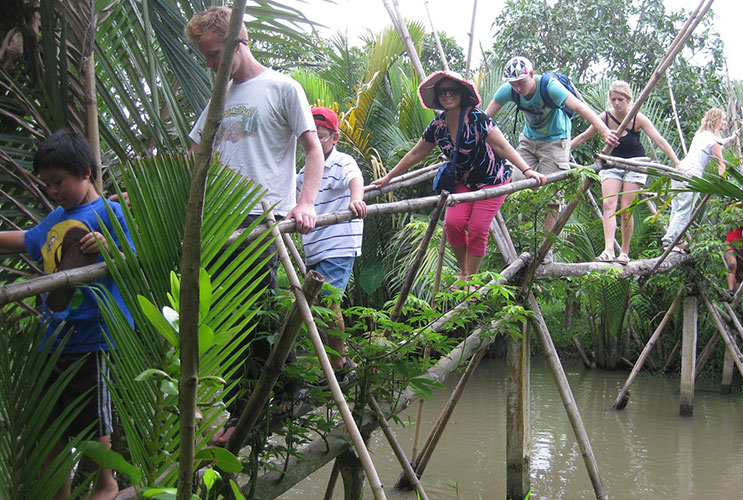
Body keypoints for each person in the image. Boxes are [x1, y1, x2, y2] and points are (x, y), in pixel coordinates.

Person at [183, 6, 325, 446]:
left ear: (237, 42)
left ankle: (251, 408)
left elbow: (313, 150)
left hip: (262, 215)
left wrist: (305, 202)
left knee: (252, 309)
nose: (210, 64)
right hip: (218, 218)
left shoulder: (282, 87)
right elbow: (194, 156)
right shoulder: (219, 97)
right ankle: (279, 390)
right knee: (227, 313)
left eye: (214, 54)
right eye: (205, 57)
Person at [0, 129, 134, 500]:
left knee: (94, 419)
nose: (52, 190)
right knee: (50, 422)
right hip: (53, 337)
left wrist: (108, 248)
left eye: (58, 181)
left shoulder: (110, 213)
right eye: (47, 184)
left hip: (93, 335)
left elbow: (135, 260)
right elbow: (26, 240)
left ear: (86, 172)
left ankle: (106, 484)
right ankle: (60, 492)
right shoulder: (56, 218)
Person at [374, 71, 546, 283]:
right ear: (437, 96)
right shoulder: (438, 126)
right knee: (453, 224)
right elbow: (416, 154)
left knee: (478, 227)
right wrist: (389, 178)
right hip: (464, 181)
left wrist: (527, 170)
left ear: (462, 93)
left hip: (492, 179)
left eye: (452, 90)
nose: (447, 95)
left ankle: (470, 280)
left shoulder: (478, 118)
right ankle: (465, 274)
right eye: (442, 91)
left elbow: (503, 147)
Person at [486, 56, 618, 261]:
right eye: (514, 84)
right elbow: (485, 118)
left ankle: (546, 250)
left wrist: (604, 130)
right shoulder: (509, 90)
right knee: (518, 181)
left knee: (552, 195)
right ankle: (550, 207)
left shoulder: (549, 86)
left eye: (521, 82)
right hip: (529, 140)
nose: (518, 88)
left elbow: (580, 107)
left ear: (531, 75)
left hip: (556, 141)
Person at [570, 80, 681, 264]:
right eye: (613, 99)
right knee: (609, 204)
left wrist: (676, 162)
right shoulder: (605, 117)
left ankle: (624, 252)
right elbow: (584, 137)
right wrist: (565, 149)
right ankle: (608, 250)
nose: (616, 103)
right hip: (611, 164)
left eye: (620, 99)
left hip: (635, 165)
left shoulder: (638, 118)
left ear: (628, 100)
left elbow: (659, 140)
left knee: (626, 208)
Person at [295, 107, 366, 376]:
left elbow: (355, 180)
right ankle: (334, 362)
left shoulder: (342, 161)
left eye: (321, 135)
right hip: (314, 248)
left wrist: (356, 200)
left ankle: (338, 364)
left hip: (338, 243)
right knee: (316, 306)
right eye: (309, 136)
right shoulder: (303, 174)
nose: (314, 141)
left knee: (328, 301)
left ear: (334, 138)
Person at [662, 108, 739, 252]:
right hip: (692, 176)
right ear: (716, 121)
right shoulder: (713, 140)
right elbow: (721, 163)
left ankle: (677, 241)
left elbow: (720, 143)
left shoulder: (700, 135)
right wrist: (722, 182)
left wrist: (732, 138)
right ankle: (668, 242)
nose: (724, 122)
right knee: (684, 211)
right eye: (723, 120)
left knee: (677, 209)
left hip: (679, 171)